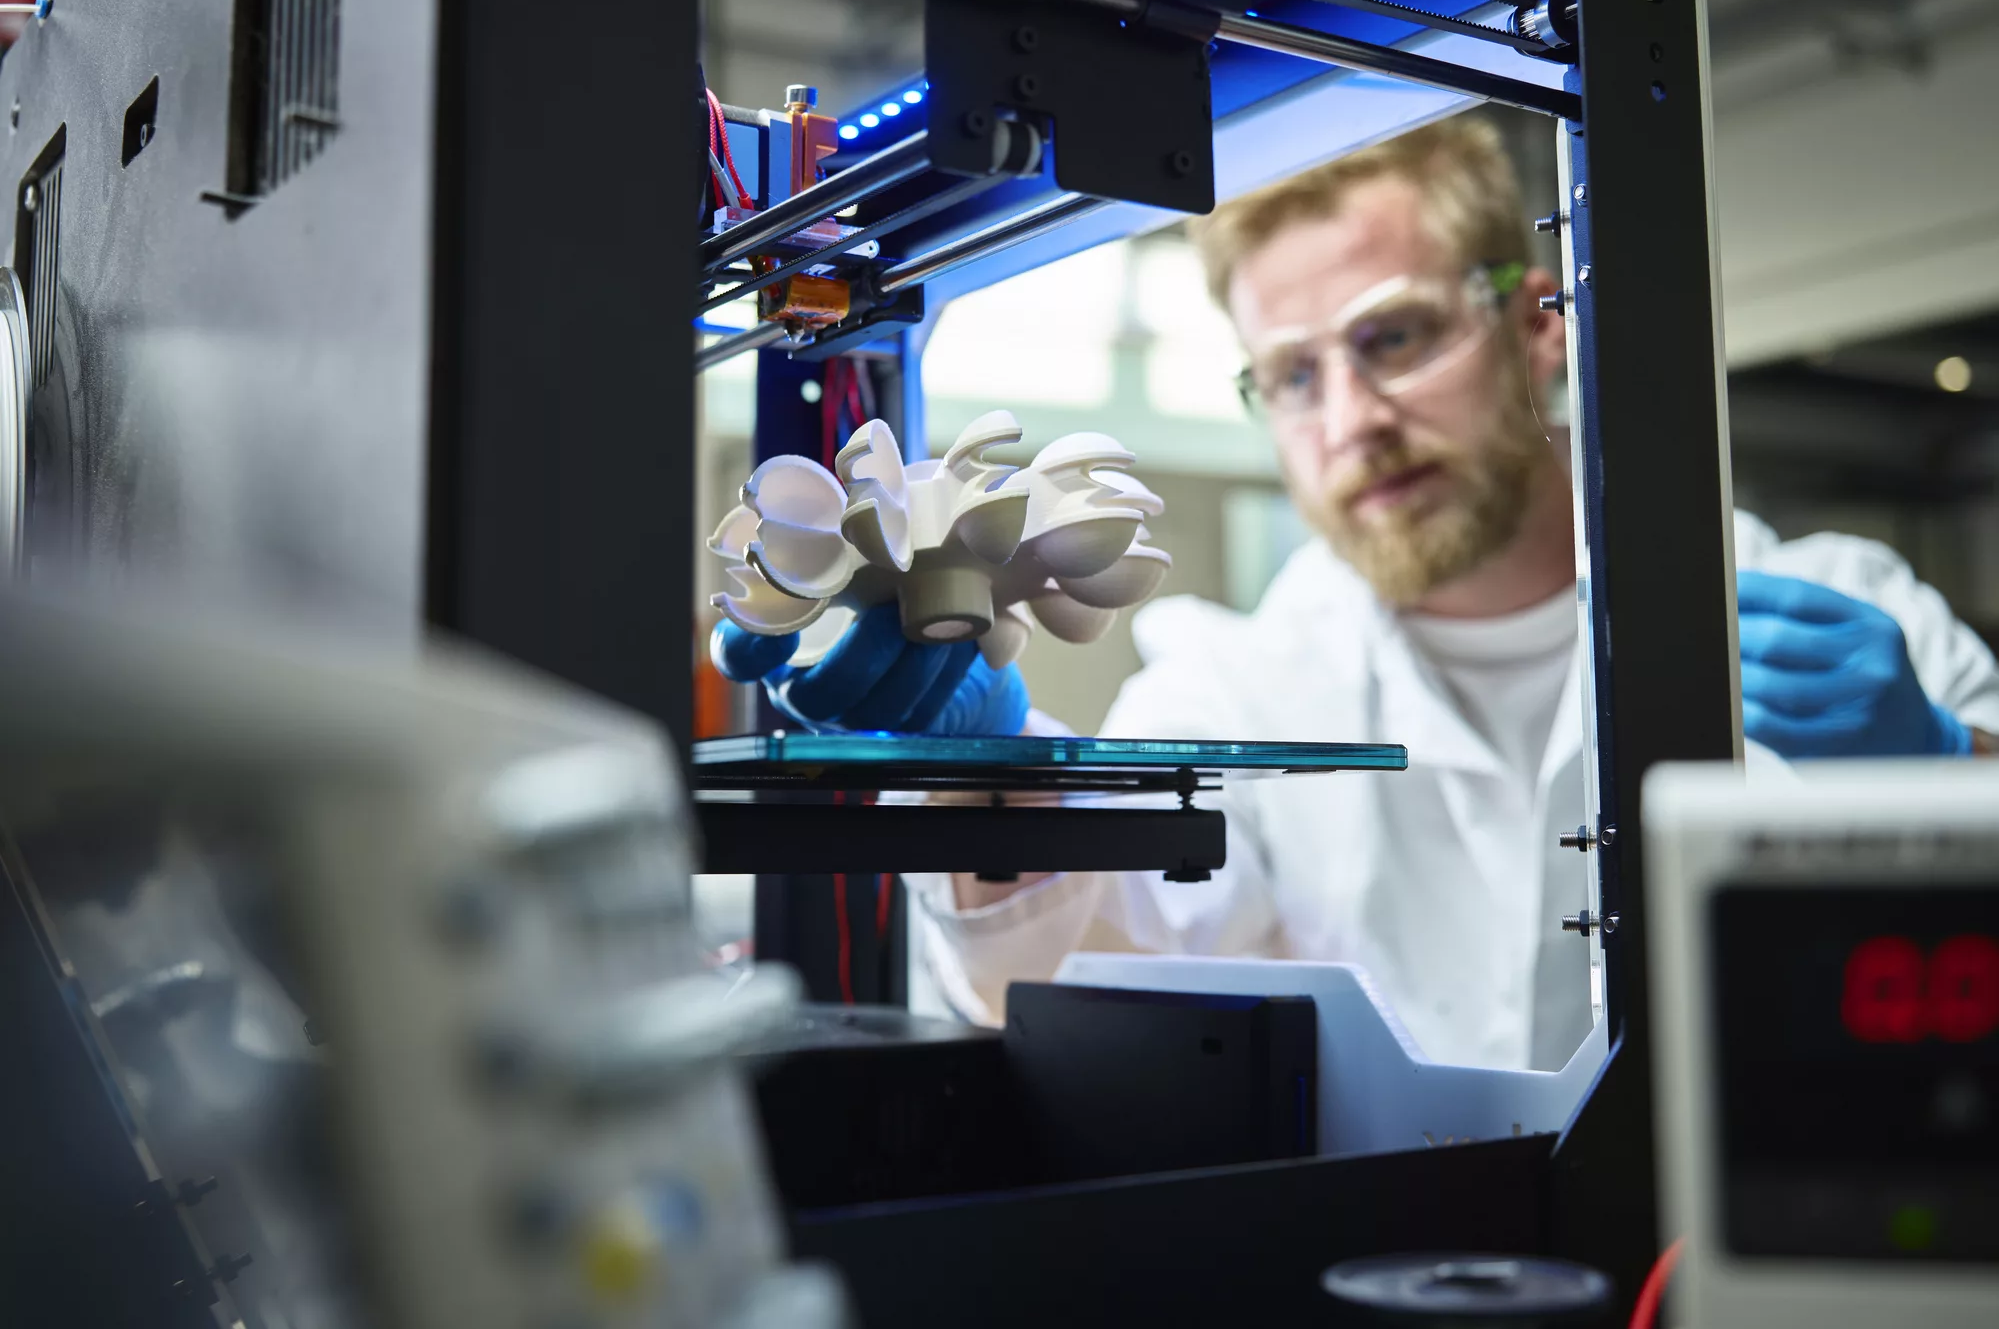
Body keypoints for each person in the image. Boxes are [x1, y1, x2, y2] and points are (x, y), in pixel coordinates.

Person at [714, 117, 1999, 1071]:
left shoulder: (1830, 604)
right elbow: (1089, 985)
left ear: (1543, 318)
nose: (1351, 422)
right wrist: (992, 793)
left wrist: (1949, 773)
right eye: (1291, 375)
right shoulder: (1237, 685)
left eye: (1392, 339)